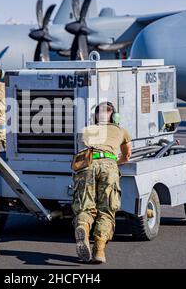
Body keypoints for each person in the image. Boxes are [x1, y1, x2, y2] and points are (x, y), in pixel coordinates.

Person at [72, 102, 132, 264]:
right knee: (106, 209)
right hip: (109, 165)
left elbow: (82, 149)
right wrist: (114, 162)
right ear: (114, 116)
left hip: (87, 165)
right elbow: (127, 156)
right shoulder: (121, 131)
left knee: (85, 205)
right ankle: (99, 249)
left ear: (96, 116)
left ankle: (83, 226)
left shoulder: (88, 130)